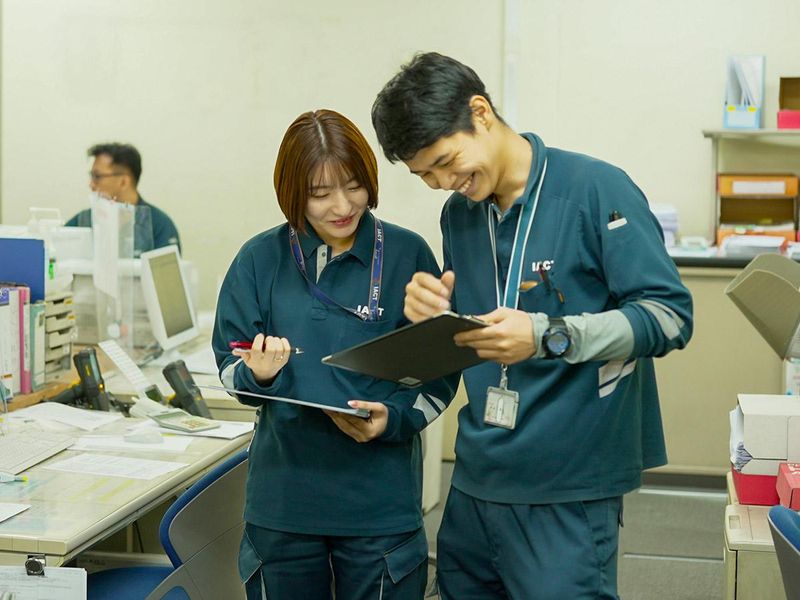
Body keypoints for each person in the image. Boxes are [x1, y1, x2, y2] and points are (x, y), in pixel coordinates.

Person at [371, 52, 693, 600]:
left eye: (447, 161)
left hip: (566, 481)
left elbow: (668, 316)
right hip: (478, 479)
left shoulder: (596, 190)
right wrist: (430, 314)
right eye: (425, 175)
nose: (445, 182)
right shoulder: (460, 213)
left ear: (481, 112)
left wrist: (546, 335)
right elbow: (479, 332)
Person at [212, 109, 456, 600]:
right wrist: (258, 376)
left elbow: (439, 374)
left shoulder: (408, 255)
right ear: (292, 194)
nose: (342, 206)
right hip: (283, 505)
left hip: (379, 506)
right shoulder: (260, 260)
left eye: (353, 186)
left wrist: (393, 420)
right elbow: (228, 365)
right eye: (320, 194)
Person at [66, 143, 181, 257]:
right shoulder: (82, 222)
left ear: (124, 182)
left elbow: (166, 274)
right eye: (92, 176)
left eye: (97, 177)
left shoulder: (159, 225)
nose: (91, 185)